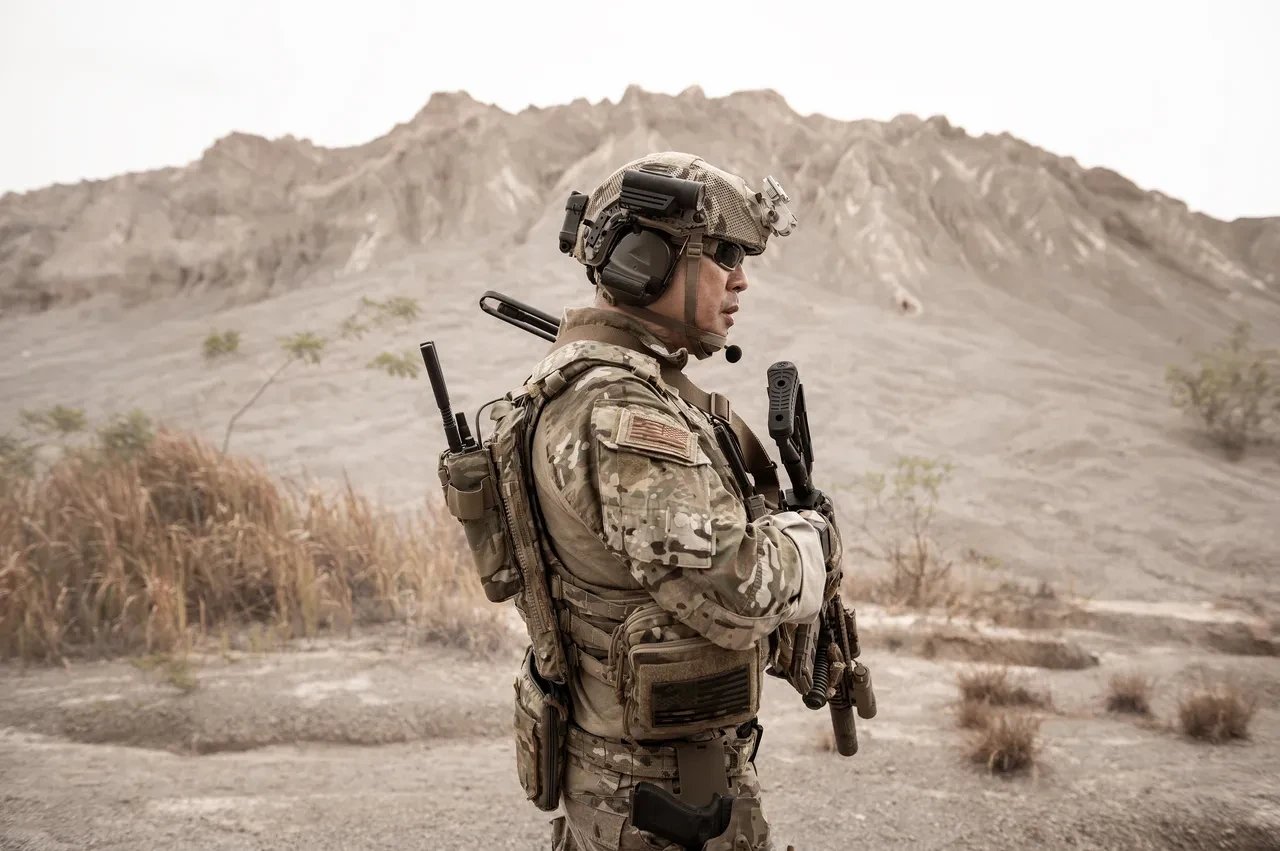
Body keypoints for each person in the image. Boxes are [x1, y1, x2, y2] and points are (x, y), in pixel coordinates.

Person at [518, 152, 840, 850]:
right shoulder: (619, 410)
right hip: (662, 795)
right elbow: (734, 587)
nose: (741, 279)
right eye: (724, 253)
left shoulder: (618, 387)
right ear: (647, 260)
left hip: (651, 780)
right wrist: (812, 542)